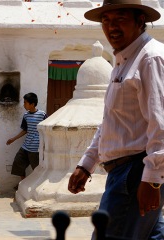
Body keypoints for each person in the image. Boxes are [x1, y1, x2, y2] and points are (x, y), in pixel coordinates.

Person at [68, 0, 164, 239]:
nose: (112, 27)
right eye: (106, 20)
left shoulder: (150, 59)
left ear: (140, 21)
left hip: (135, 175)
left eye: (120, 19)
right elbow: (112, 120)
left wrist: (152, 180)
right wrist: (87, 163)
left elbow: (160, 123)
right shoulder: (122, 61)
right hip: (122, 173)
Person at [6, 92, 47, 190]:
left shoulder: (42, 114)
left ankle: (37, 187)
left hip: (36, 148)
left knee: (36, 169)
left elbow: (46, 130)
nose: (24, 105)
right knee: (18, 163)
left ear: (32, 104)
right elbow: (25, 130)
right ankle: (22, 183)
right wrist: (13, 139)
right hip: (26, 145)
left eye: (25, 103)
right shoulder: (26, 115)